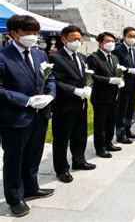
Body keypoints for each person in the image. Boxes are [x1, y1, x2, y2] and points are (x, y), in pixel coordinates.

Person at [0, 15, 56, 217]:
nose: (34, 37)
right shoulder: (3, 56)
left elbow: (51, 79)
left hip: (41, 114)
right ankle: (15, 198)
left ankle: (31, 188)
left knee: (34, 155)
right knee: (14, 159)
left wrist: (49, 95)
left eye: (36, 33)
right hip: (16, 117)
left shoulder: (40, 55)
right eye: (28, 33)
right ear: (14, 34)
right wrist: (26, 100)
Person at [49, 26, 96, 184]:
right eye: (73, 39)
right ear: (64, 40)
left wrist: (89, 86)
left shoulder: (82, 57)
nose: (77, 41)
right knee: (62, 138)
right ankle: (62, 169)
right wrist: (74, 90)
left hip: (81, 104)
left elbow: (88, 76)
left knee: (80, 135)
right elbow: (54, 80)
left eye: (79, 39)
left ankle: (79, 160)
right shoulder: (55, 58)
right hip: (64, 105)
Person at [87, 32, 124, 158]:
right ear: (100, 43)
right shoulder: (94, 57)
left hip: (114, 95)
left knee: (111, 122)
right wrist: (109, 80)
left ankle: (109, 143)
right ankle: (100, 147)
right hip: (101, 96)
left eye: (113, 41)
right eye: (108, 41)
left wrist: (119, 80)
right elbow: (92, 76)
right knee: (100, 124)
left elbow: (117, 72)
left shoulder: (114, 57)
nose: (111, 43)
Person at [112, 27, 135, 144]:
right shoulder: (118, 50)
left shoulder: (134, 50)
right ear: (124, 36)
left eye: (134, 37)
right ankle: (120, 134)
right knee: (122, 109)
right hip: (123, 84)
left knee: (130, 108)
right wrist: (130, 70)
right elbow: (117, 68)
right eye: (130, 36)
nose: (132, 39)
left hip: (133, 83)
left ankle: (128, 129)